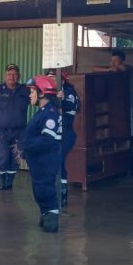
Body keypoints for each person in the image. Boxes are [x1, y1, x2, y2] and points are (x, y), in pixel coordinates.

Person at [20, 74, 62, 233]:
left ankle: (51, 221)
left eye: (32, 91)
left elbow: (47, 140)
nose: (30, 95)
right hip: (39, 162)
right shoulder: (43, 111)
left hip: (46, 161)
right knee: (40, 191)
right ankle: (47, 217)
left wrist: (25, 146)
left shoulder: (49, 113)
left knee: (45, 191)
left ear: (42, 93)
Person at [0, 64, 30, 190]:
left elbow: (39, 100)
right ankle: (1, 185)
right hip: (0, 132)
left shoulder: (25, 90)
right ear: (5, 76)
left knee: (15, 158)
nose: (11, 77)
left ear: (19, 76)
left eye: (14, 74)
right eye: (9, 74)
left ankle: (9, 184)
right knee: (1, 158)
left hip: (19, 132)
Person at [53, 69, 79, 206]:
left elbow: (70, 108)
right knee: (56, 162)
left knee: (59, 161)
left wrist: (61, 100)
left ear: (62, 80)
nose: (52, 81)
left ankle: (63, 195)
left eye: (54, 78)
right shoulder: (50, 93)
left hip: (66, 133)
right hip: (54, 134)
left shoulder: (69, 92)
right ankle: (58, 194)